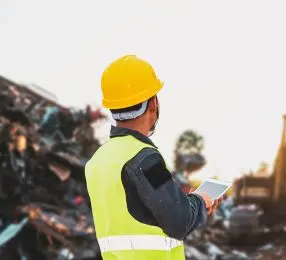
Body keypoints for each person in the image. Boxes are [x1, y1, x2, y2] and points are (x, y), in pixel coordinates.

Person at [85, 55, 221, 259]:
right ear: (152, 103)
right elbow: (180, 220)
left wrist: (190, 203)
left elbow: (138, 216)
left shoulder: (97, 161)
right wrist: (200, 201)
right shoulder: (145, 159)